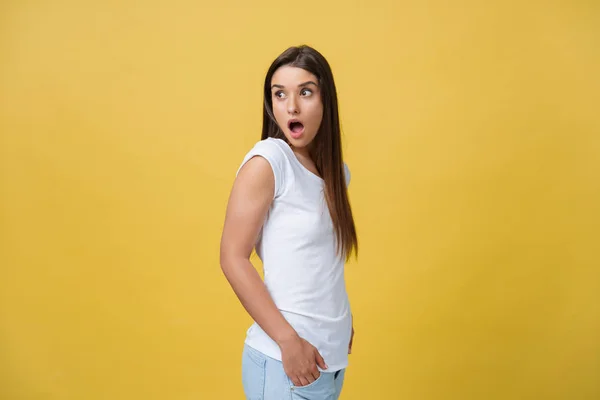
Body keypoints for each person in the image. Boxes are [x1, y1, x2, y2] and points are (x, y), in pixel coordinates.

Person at [220, 45, 358, 400]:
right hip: (287, 368)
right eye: (279, 94)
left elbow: (319, 264)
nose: (291, 106)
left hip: (329, 364)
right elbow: (232, 257)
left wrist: (339, 322)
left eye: (305, 92)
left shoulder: (336, 175)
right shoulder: (269, 161)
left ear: (326, 101)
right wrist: (288, 341)